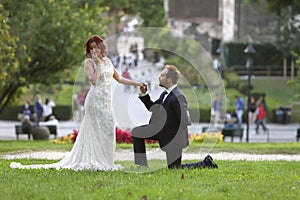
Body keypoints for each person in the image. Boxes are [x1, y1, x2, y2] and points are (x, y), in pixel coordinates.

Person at [10, 35, 146, 171]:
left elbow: (120, 78)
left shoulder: (108, 62)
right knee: (95, 131)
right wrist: (97, 63)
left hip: (107, 102)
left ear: (101, 47)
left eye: (96, 48)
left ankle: (107, 161)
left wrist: (137, 83)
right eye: (91, 49)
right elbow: (94, 80)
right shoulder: (89, 63)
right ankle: (96, 160)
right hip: (95, 102)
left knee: (109, 130)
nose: (94, 51)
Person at [131, 65, 218, 169]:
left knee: (174, 168)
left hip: (173, 137)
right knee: (136, 132)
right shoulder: (165, 94)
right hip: (160, 130)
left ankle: (206, 164)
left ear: (170, 79)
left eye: (162, 76)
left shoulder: (178, 96)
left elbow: (185, 120)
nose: (159, 77)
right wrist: (144, 94)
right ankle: (142, 165)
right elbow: (154, 108)